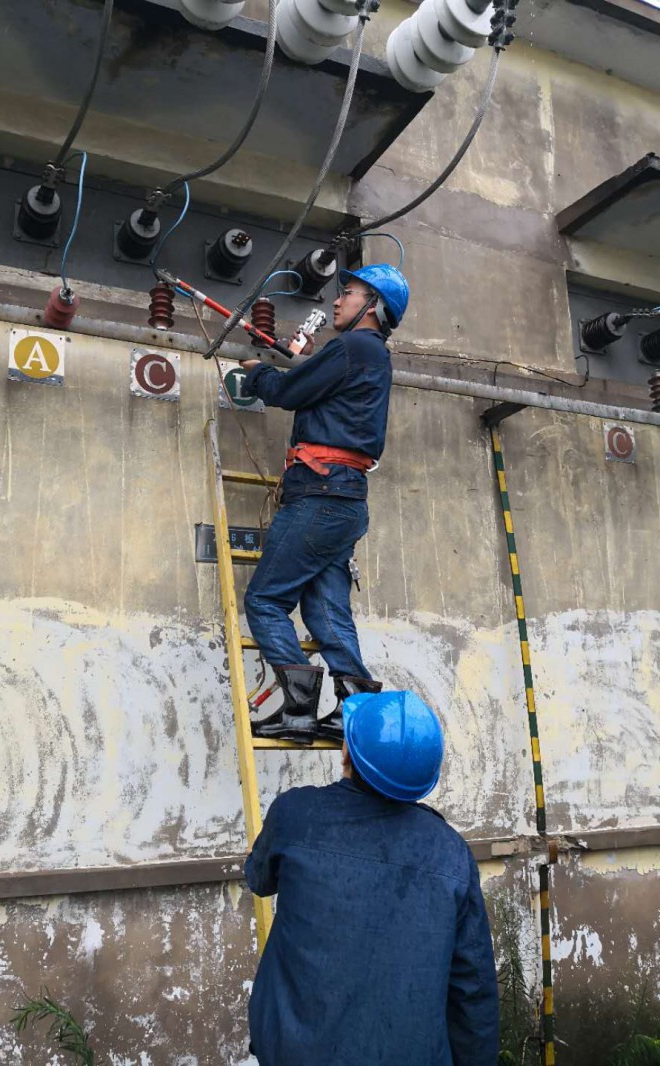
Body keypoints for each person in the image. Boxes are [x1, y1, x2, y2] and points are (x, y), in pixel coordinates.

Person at [244, 690, 500, 1066]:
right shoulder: (451, 852)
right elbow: (472, 990)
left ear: (347, 753)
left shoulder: (297, 816)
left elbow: (259, 879)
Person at [238, 264, 408, 744]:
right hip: (345, 500)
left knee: (266, 600)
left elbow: (290, 393)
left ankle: (298, 709)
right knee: (327, 615)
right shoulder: (370, 355)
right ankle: (355, 714)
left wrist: (260, 375)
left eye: (349, 294)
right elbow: (319, 392)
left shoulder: (353, 346)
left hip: (319, 494)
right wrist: (306, 363)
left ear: (372, 307)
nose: (337, 301)